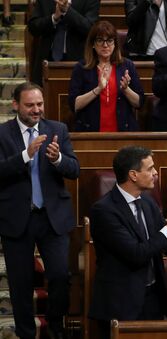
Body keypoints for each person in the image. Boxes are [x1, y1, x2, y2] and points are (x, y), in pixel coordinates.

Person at [88, 146, 167, 339]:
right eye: (150, 168)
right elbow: (136, 255)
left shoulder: (148, 203)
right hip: (121, 305)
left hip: (153, 300)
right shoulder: (103, 211)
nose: (155, 173)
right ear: (133, 175)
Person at [0, 82, 80, 339]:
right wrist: (25, 155)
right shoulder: (2, 134)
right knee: (20, 285)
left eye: (40, 104)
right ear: (15, 105)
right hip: (17, 219)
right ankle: (25, 334)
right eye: (30, 105)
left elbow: (74, 169)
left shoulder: (58, 129)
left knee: (59, 276)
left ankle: (56, 329)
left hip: (52, 217)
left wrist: (57, 159)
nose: (36, 110)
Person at [68, 20, 145, 132]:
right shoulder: (81, 68)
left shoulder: (127, 66)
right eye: (100, 40)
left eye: (109, 40)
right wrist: (98, 89)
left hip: (123, 132)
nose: (105, 45)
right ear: (93, 44)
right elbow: (74, 105)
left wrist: (126, 89)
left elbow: (139, 103)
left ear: (115, 44)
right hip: (90, 133)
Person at [27, 0, 99, 86]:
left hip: (77, 62)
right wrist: (54, 18)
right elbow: (33, 28)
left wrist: (67, 11)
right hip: (46, 60)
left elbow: (90, 29)